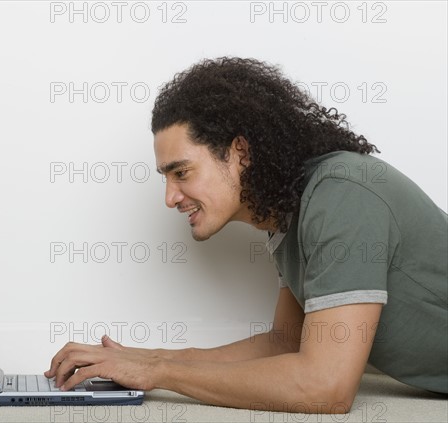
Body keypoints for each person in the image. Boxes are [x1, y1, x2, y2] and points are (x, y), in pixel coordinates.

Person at [45, 57, 448, 412]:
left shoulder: (342, 196)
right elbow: (286, 342)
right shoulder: (292, 212)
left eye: (181, 172)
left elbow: (325, 387)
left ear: (240, 153)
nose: (170, 198)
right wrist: (145, 358)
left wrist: (158, 372)